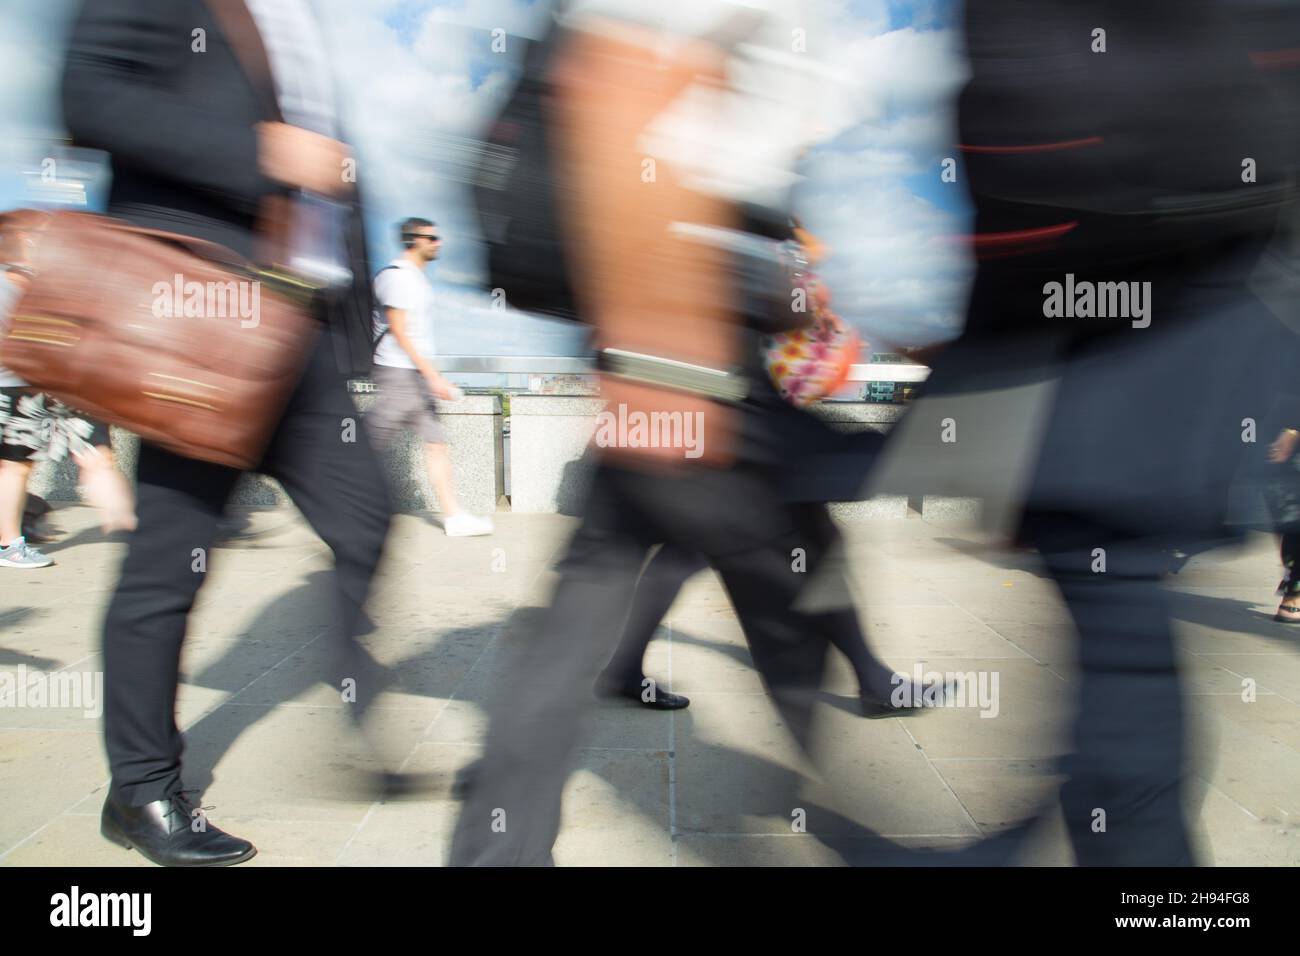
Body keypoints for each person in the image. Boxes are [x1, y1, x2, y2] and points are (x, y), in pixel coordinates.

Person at [449, 0, 915, 865]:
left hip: (645, 351)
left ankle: (496, 846)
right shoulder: (678, 39)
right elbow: (673, 148)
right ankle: (867, 834)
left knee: (590, 599)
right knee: (788, 586)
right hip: (692, 351)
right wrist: (690, 329)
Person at [62, 0, 391, 867]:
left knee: (368, 512)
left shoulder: (305, 22)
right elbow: (86, 95)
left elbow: (336, 180)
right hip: (203, 312)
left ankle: (355, 695)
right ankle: (139, 790)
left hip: (302, 324)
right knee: (169, 556)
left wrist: (352, 323)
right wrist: (264, 153)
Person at [366, 217, 493, 536]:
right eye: (431, 237)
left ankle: (454, 517)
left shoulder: (416, 279)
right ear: (414, 240)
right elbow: (399, 332)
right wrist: (433, 377)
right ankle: (339, 491)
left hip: (412, 374)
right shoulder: (398, 278)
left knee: (436, 442)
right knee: (370, 440)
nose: (438, 243)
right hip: (399, 372)